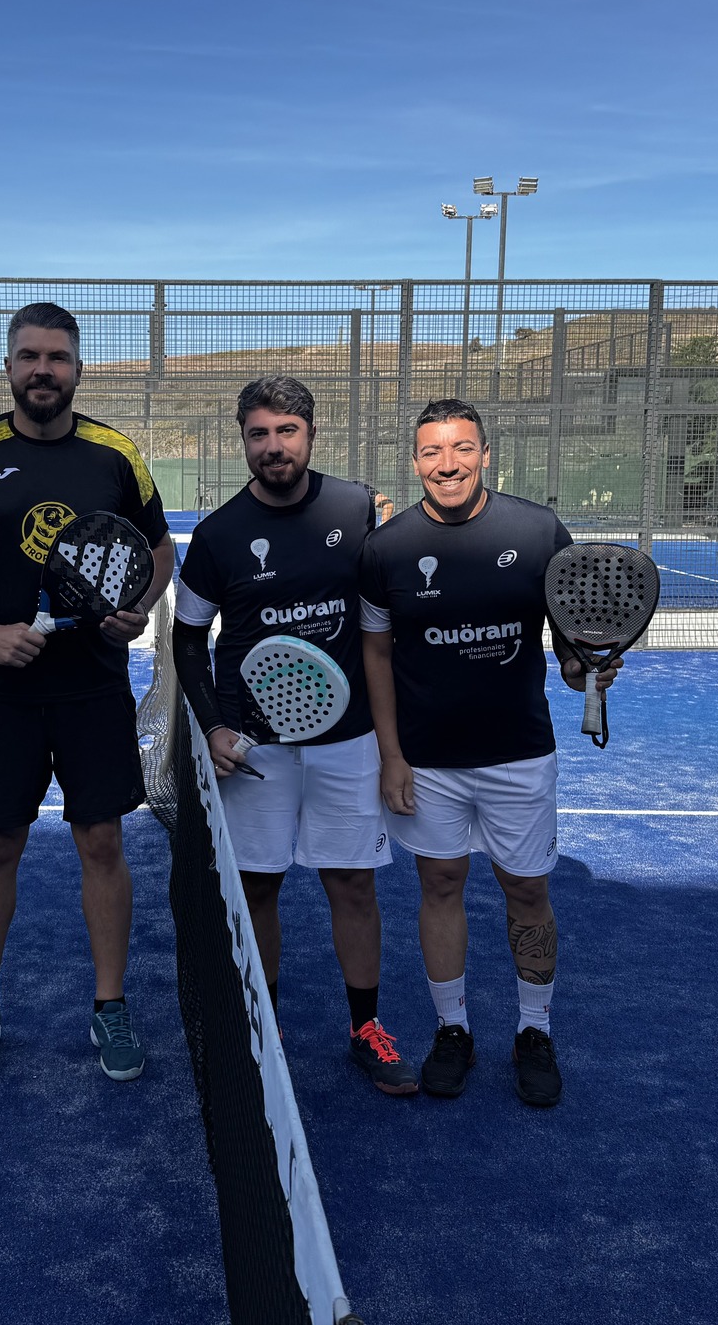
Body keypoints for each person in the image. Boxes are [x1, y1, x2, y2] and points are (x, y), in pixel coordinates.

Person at [0, 302, 174, 1083]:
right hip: (4, 692)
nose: (42, 370)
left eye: (57, 357)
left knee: (103, 842)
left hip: (93, 687)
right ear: (8, 367)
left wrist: (135, 607)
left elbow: (158, 549)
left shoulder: (114, 454)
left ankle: (110, 1005)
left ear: (77, 369)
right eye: (29, 356)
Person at [358, 399, 620, 1106]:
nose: (448, 465)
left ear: (485, 454)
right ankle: (453, 1030)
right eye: (433, 451)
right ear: (415, 461)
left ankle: (534, 1030)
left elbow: (570, 650)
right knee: (440, 885)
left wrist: (586, 670)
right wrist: (391, 754)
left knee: (527, 891)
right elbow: (376, 654)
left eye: (462, 449)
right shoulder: (385, 550)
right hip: (427, 761)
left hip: (518, 753)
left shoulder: (538, 531)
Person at [172, 376, 417, 1096]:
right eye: (259, 433)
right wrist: (214, 724)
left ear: (311, 434)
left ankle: (366, 1029)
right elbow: (188, 640)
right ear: (243, 440)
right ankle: (265, 1029)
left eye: (286, 431)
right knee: (258, 885)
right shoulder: (217, 535)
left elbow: (390, 610)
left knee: (353, 883)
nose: (273, 446)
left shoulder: (357, 507)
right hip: (255, 748)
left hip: (348, 740)